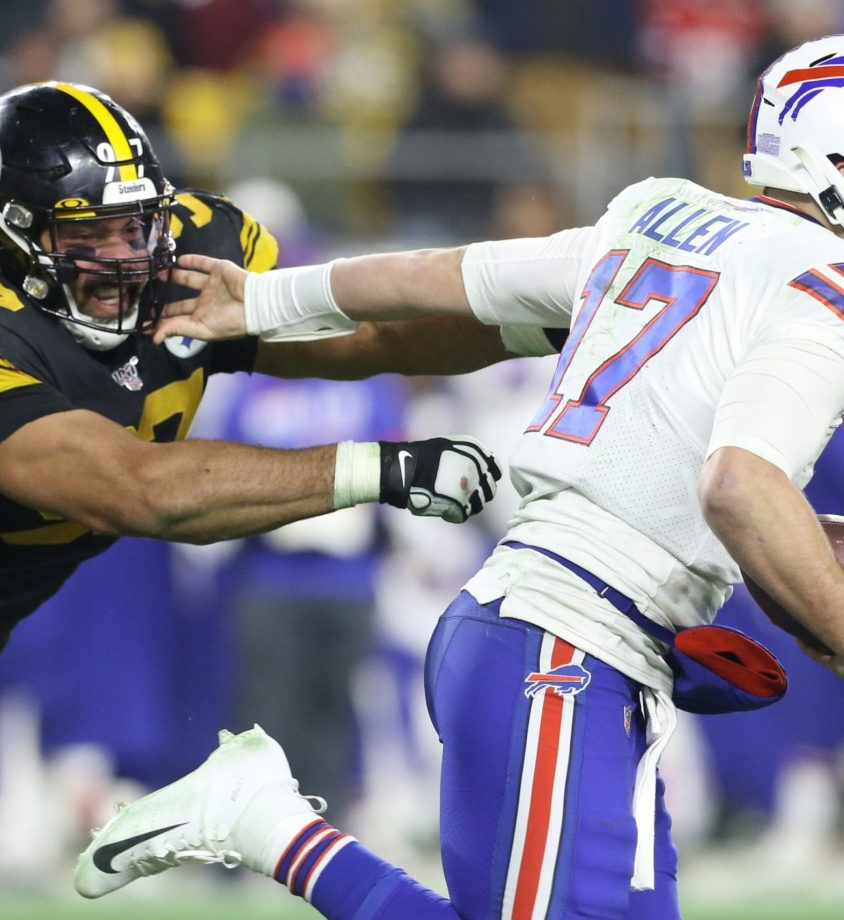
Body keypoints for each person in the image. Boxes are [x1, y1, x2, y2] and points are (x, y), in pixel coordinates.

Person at [75, 34, 844, 920]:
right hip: (566, 644)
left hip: (560, 636)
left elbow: (450, 275)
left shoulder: (661, 213)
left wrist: (263, 299)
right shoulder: (820, 285)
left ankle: (269, 826)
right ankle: (265, 824)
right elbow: (741, 488)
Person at [0, 78, 564, 683]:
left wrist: (554, 325)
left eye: (132, 227)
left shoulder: (190, 252)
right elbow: (138, 490)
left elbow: (374, 333)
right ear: (4, 237)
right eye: (85, 234)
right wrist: (379, 469)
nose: (123, 259)